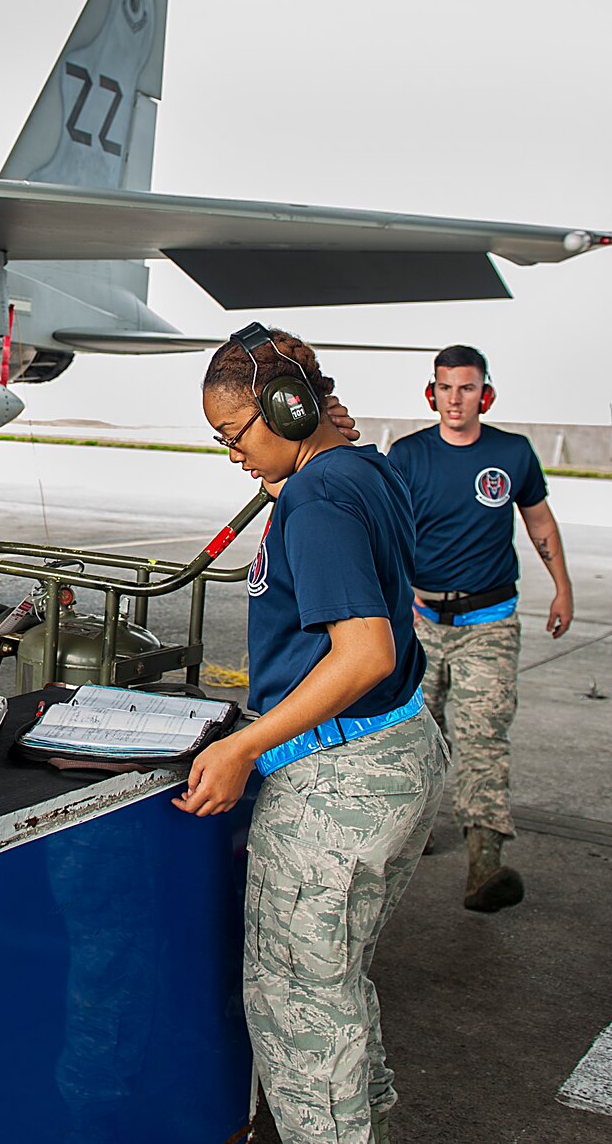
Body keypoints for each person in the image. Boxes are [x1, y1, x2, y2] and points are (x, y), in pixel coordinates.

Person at [177, 323, 446, 1144]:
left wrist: (242, 745)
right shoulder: (363, 467)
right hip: (397, 753)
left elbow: (366, 650)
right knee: (336, 985)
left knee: (298, 1007)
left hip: (340, 779)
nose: (235, 456)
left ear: (288, 408)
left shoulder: (318, 495)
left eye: (237, 434)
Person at [387, 345, 573, 913]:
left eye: (467, 388)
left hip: (489, 622)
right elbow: (389, 531)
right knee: (411, 737)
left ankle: (484, 863)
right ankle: (405, 837)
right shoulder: (409, 455)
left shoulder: (511, 454)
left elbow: (537, 518)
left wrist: (562, 585)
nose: (456, 399)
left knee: (484, 737)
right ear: (432, 393)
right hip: (422, 621)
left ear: (485, 393)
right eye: (446, 387)